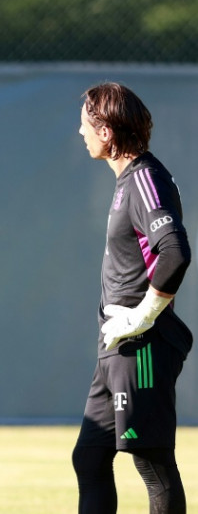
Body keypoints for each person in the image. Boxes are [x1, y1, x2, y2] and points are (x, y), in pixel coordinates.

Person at [72, 82, 192, 514]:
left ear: (106, 131)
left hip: (142, 344)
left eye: (86, 124)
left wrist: (143, 316)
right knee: (89, 457)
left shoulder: (144, 179)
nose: (80, 131)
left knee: (152, 463)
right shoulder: (129, 180)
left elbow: (175, 251)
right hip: (118, 346)